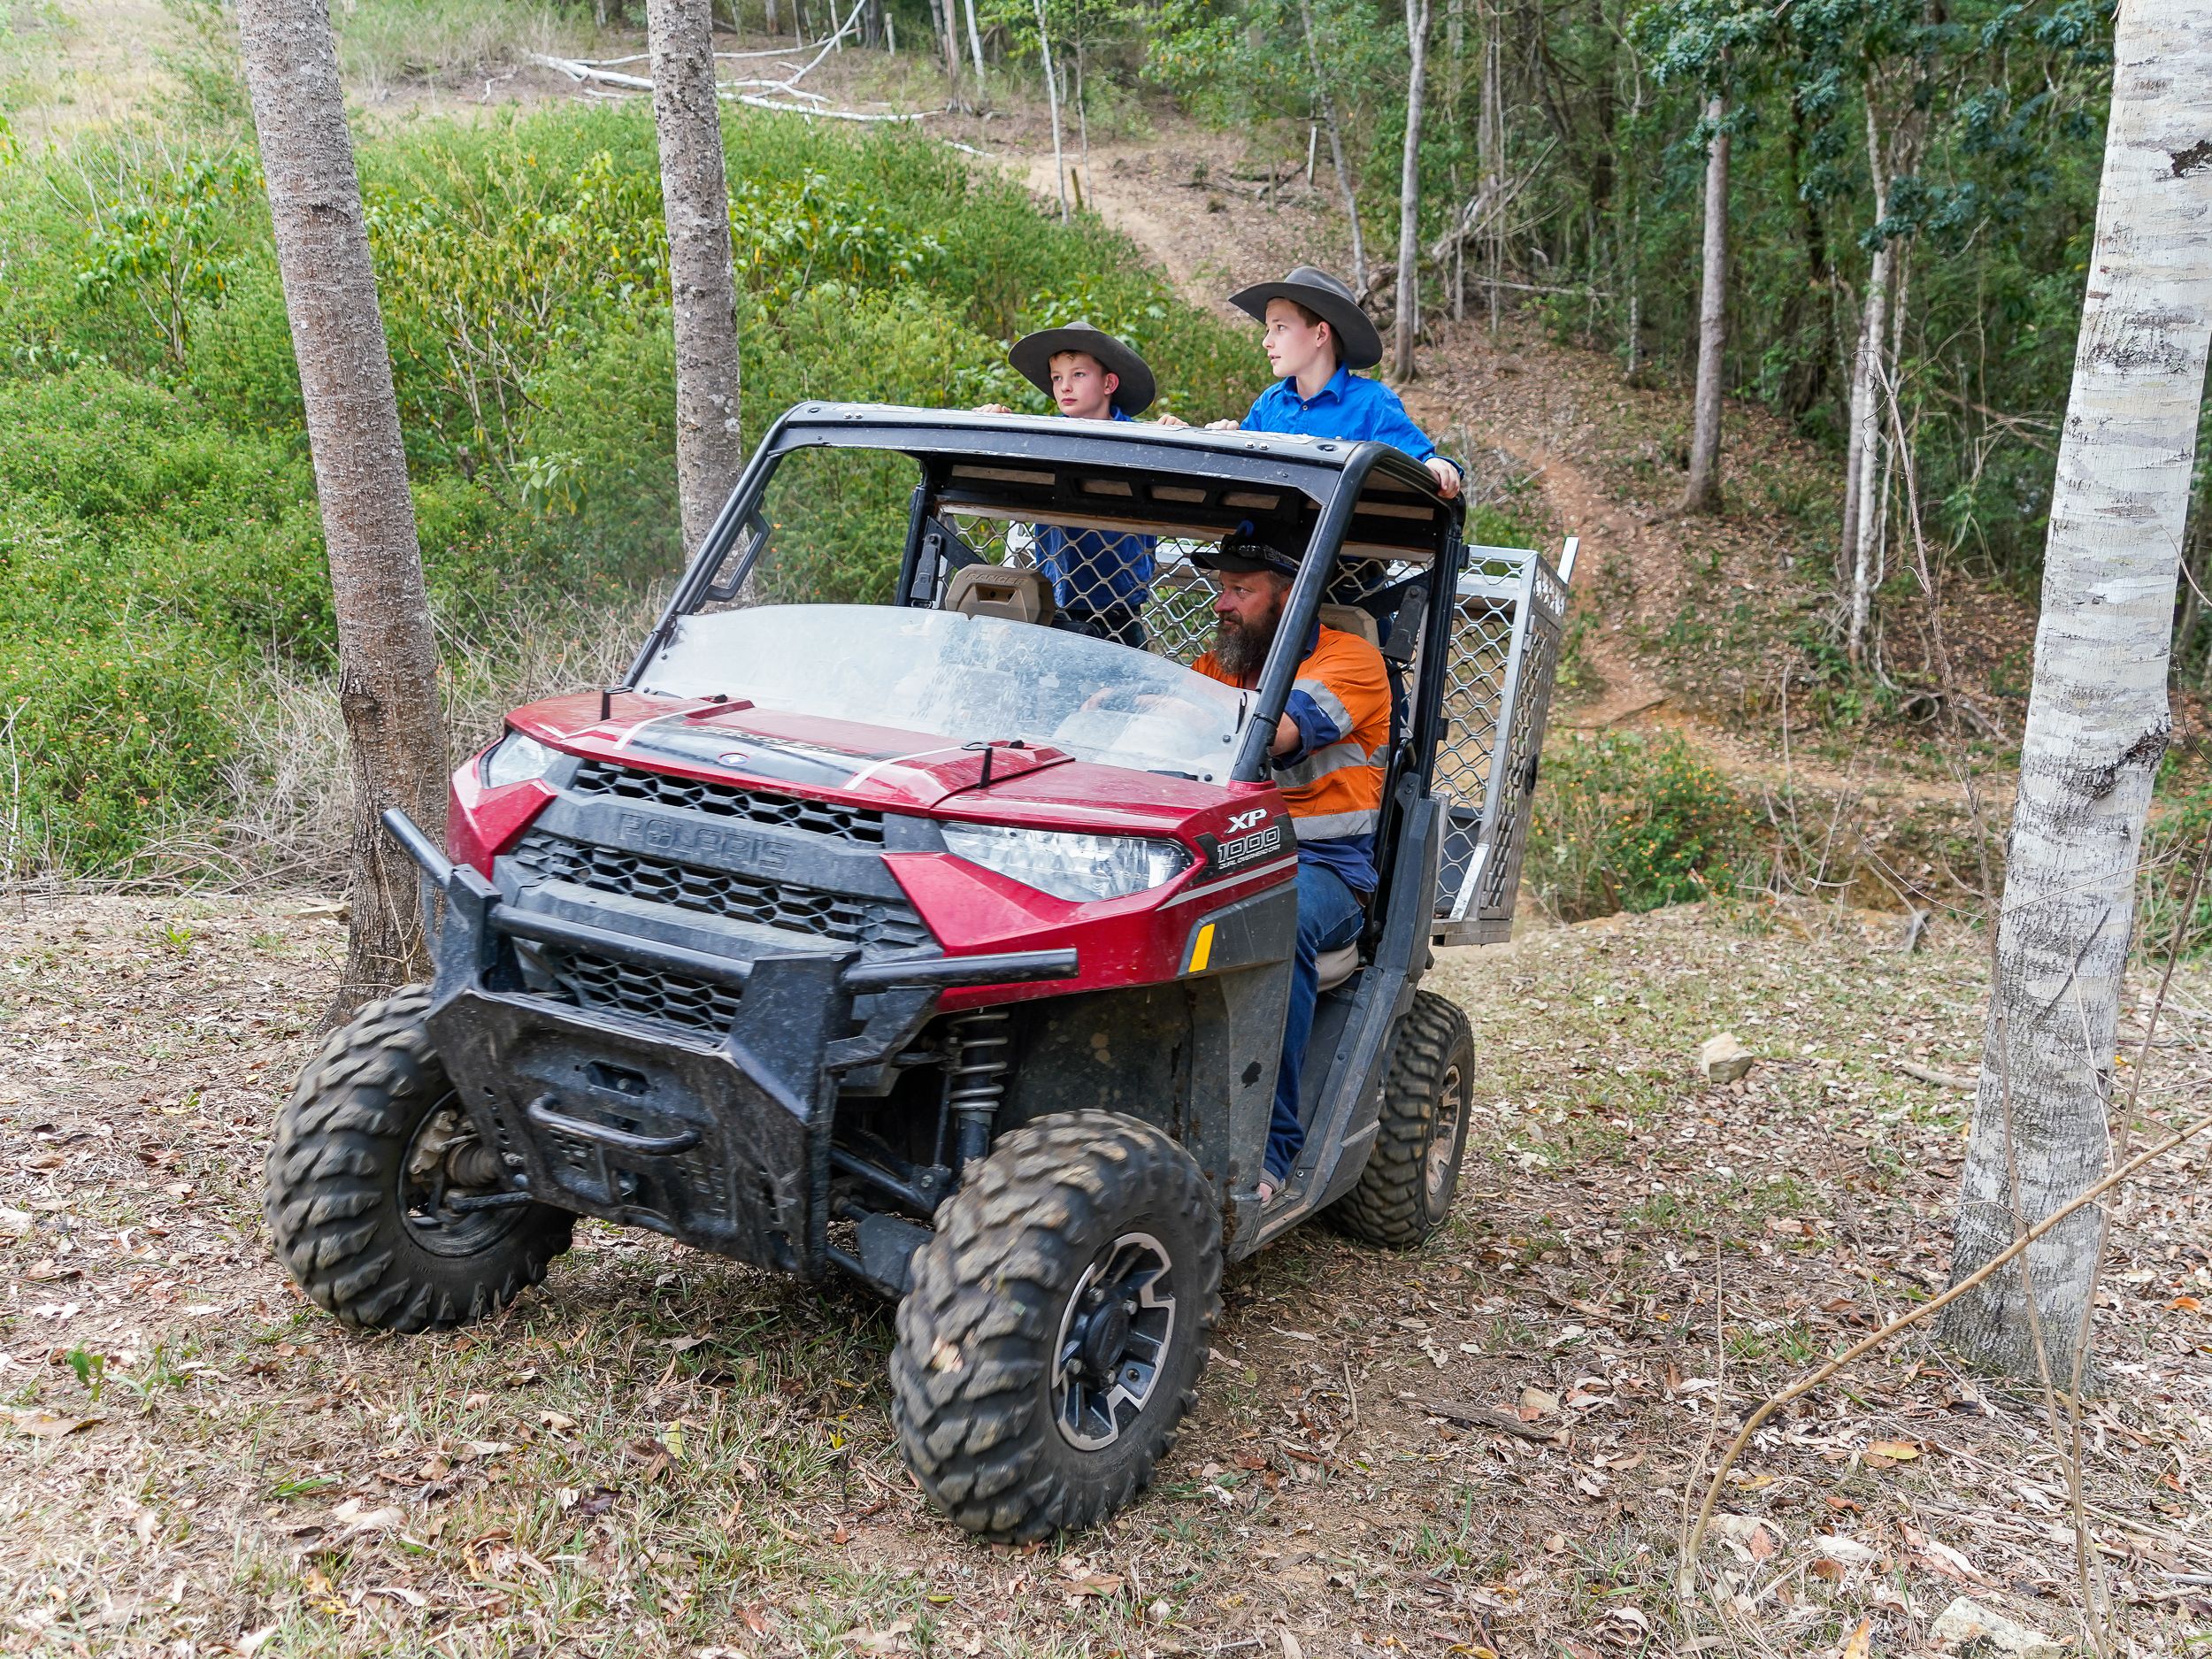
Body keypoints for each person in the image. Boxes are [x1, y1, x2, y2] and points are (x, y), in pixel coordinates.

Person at [1188, 526, 1390, 1205]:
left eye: (1240, 590)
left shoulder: (1352, 660)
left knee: (1277, 916)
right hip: (1226, 855)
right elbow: (1163, 717)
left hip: (1321, 868)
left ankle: (1268, 1148)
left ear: (1290, 597)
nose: (1222, 603)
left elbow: (1277, 734)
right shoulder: (1224, 664)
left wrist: (1180, 712)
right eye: (1222, 588)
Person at [1194, 265, 1463, 500]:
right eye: (1267, 330)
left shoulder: (1372, 402)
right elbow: (1237, 470)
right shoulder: (1269, 404)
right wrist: (1223, 437)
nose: (1267, 342)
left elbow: (1419, 461)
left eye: (1280, 328)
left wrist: (1437, 466)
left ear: (1321, 334)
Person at [973, 323, 1160, 648]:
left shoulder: (1142, 440)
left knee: (1128, 676)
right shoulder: (1045, 438)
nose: (1065, 387)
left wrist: (1173, 429)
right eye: (1057, 378)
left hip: (1119, 606)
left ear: (1108, 383)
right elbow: (1000, 470)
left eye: (1078, 375)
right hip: (1054, 601)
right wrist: (994, 423)